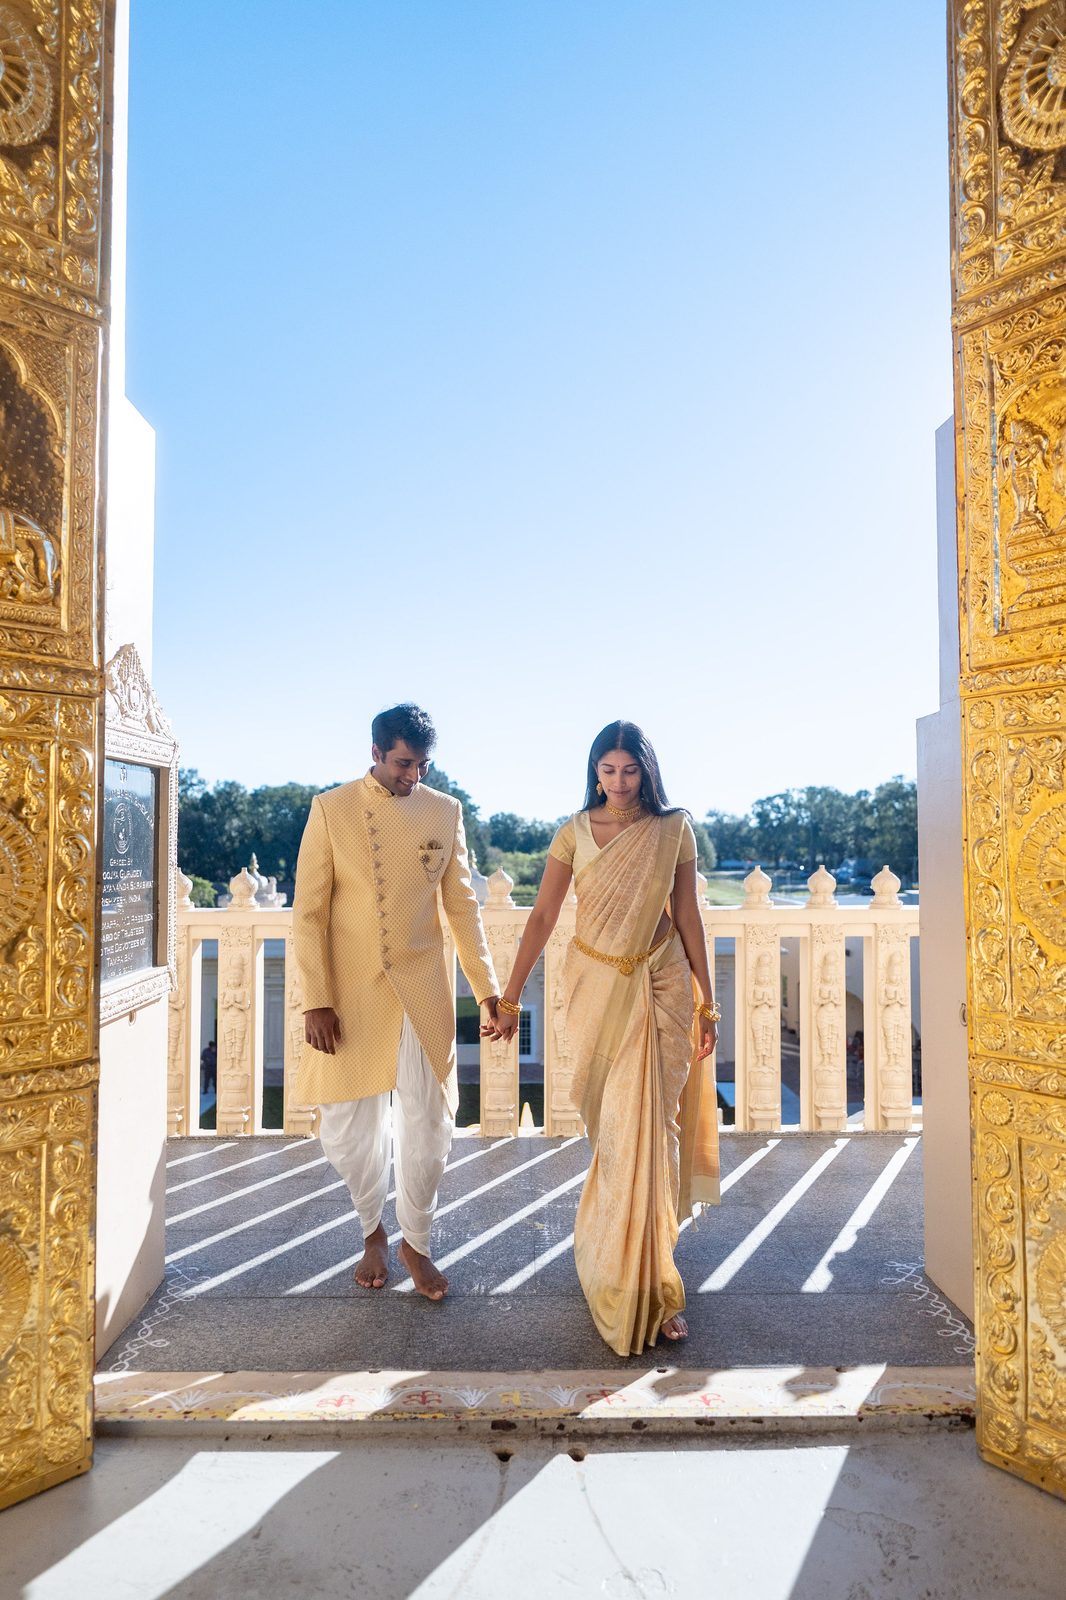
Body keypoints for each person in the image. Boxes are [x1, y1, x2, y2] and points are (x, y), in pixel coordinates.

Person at [486, 721, 721, 1355]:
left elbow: (689, 914)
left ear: (647, 771)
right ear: (595, 771)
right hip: (595, 986)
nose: (619, 783)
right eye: (608, 770)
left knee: (652, 1129)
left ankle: (656, 1279)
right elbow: (541, 917)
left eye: (630, 770)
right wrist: (509, 998)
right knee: (618, 1132)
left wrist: (708, 1001)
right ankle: (616, 1267)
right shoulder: (573, 832)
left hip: (661, 985)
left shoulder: (673, 829)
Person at [293, 703, 500, 1300]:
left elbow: (462, 905)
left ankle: (416, 1240)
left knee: (431, 1126)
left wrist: (486, 990)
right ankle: (372, 1230)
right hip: (348, 991)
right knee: (346, 1132)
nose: (413, 776)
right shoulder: (331, 810)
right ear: (377, 753)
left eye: (422, 764)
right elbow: (308, 914)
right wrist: (316, 999)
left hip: (422, 988)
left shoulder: (444, 810)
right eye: (404, 764)